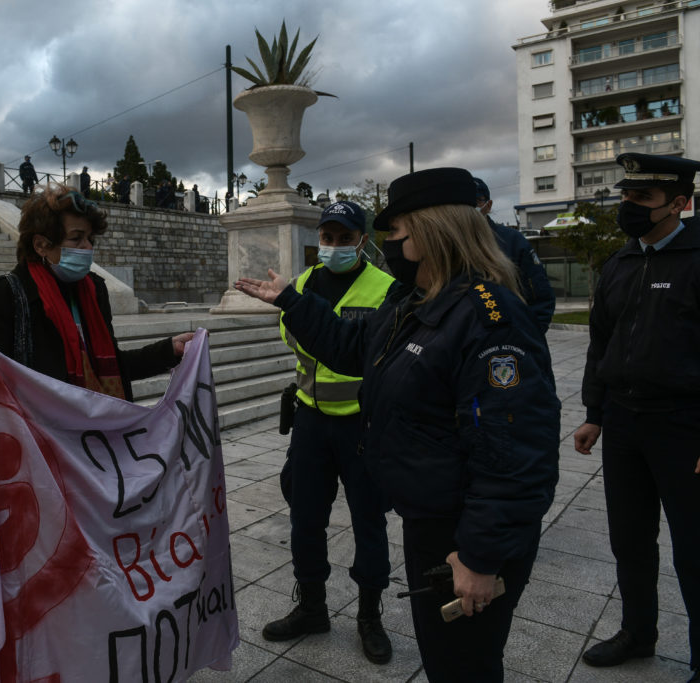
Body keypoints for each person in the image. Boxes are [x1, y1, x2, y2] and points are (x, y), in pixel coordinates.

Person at [235, 167, 560, 682]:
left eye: (398, 233)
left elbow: (515, 451)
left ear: (433, 233)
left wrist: (479, 555)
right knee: (444, 659)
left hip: (464, 532)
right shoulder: (414, 302)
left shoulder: (488, 318)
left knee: (464, 666)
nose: (390, 246)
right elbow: (353, 349)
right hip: (429, 517)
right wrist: (292, 302)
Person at [0, 185, 194, 542]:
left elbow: (108, 366)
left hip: (96, 454)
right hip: (39, 464)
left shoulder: (93, 290)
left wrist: (169, 349)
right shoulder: (2, 297)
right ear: (42, 245)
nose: (88, 249)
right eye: (77, 239)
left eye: (90, 239)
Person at [573, 153, 700, 683]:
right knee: (629, 539)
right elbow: (600, 341)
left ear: (679, 203)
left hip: (685, 427)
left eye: (642, 199)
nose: (628, 206)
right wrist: (594, 413)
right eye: (625, 196)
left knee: (694, 550)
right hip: (624, 423)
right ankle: (637, 632)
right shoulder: (619, 264)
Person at [260, 201, 395, 665]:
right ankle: (312, 607)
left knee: (369, 521)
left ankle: (369, 615)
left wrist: (319, 325)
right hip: (311, 418)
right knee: (305, 517)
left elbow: (368, 351)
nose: (333, 246)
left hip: (362, 422)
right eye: (327, 238)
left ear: (363, 240)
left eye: (344, 238)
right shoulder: (300, 285)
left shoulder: (386, 288)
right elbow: (292, 337)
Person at [472, 177, 555, 333]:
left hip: (508, 339)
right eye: (465, 203)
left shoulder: (511, 240)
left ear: (488, 205)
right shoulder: (450, 242)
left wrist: (529, 336)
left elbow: (540, 295)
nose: (471, 208)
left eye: (476, 201)